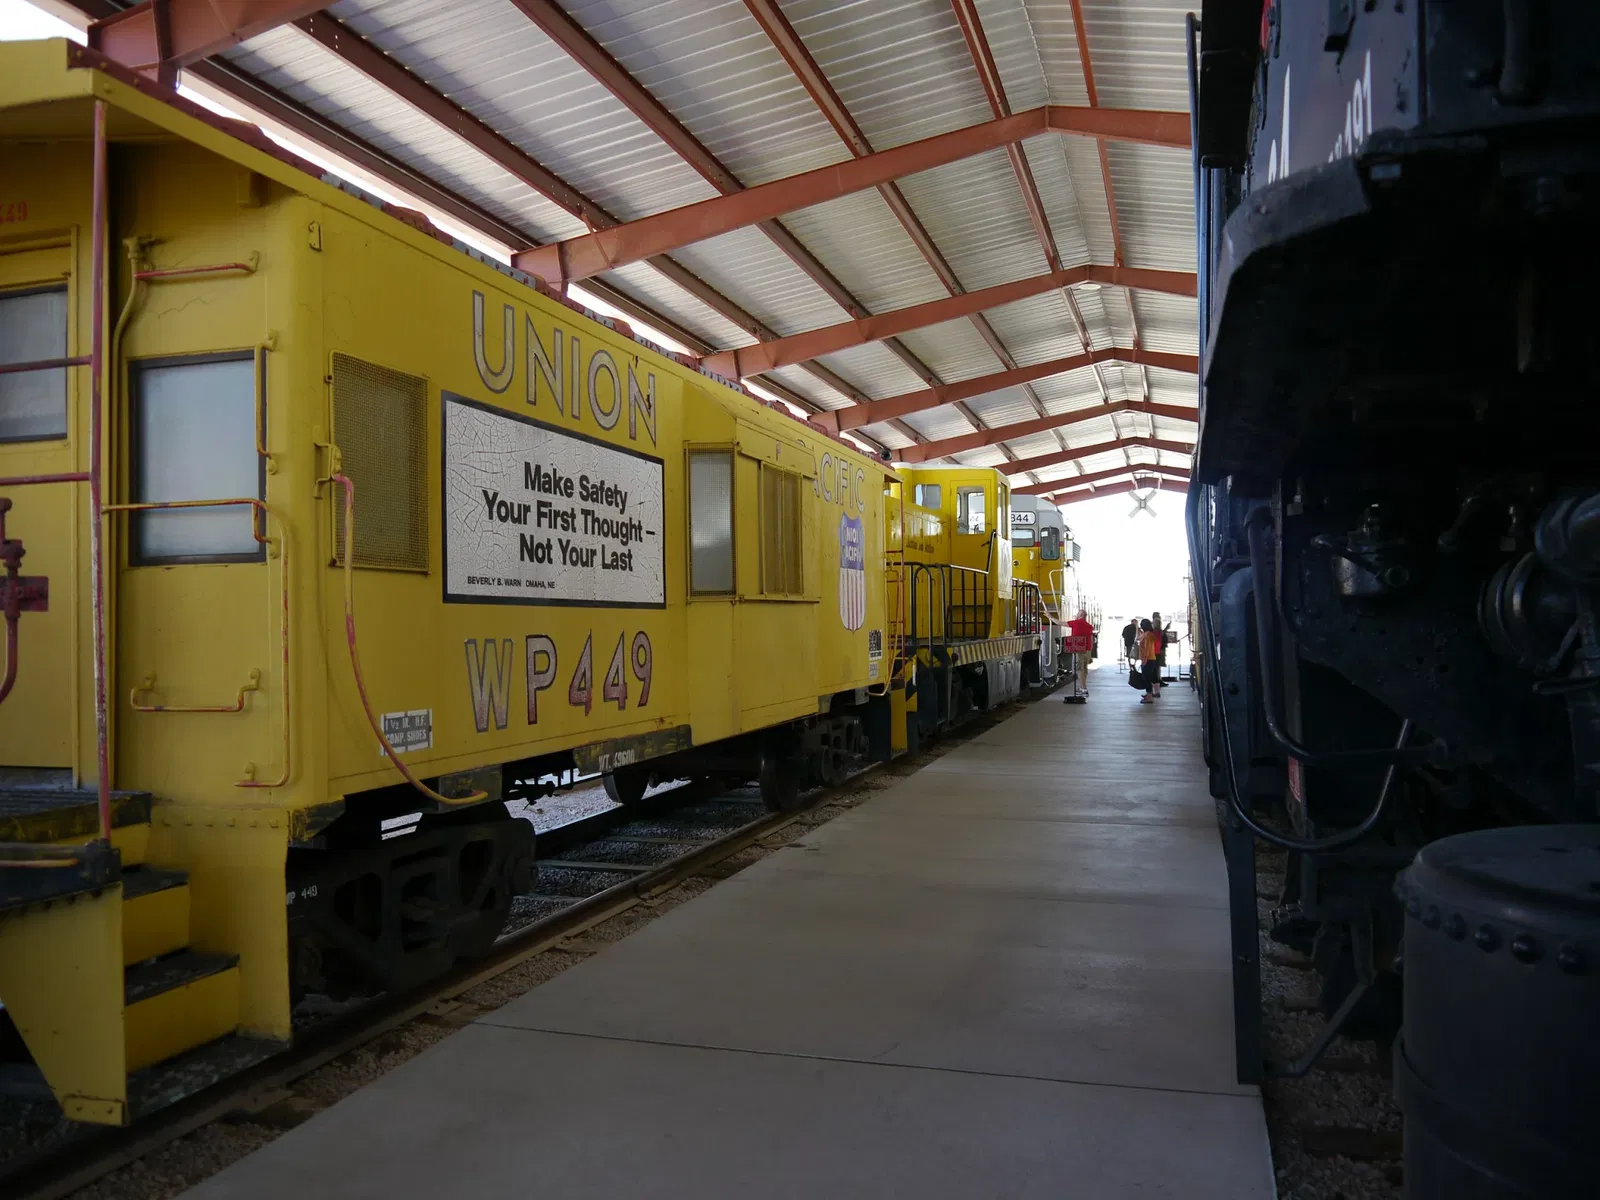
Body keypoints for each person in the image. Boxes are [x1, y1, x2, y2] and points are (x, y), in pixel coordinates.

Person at [1064, 608, 1095, 702]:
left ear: (1081, 616)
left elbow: (1060, 623)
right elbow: (1091, 638)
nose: (1076, 615)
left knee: (1079, 668)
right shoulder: (1089, 626)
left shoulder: (1076, 623)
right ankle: (1083, 688)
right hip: (1087, 650)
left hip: (1079, 650)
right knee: (1084, 669)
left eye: (1078, 614)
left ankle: (1084, 689)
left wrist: (1050, 616)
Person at [1137, 618, 1162, 704]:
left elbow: (1147, 648)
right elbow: (1138, 638)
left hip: (1148, 659)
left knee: (1147, 678)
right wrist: (1138, 629)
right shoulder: (1147, 634)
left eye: (1141, 624)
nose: (1140, 625)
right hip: (1150, 658)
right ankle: (1149, 694)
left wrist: (1144, 659)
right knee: (1148, 677)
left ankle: (1149, 696)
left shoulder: (1148, 635)